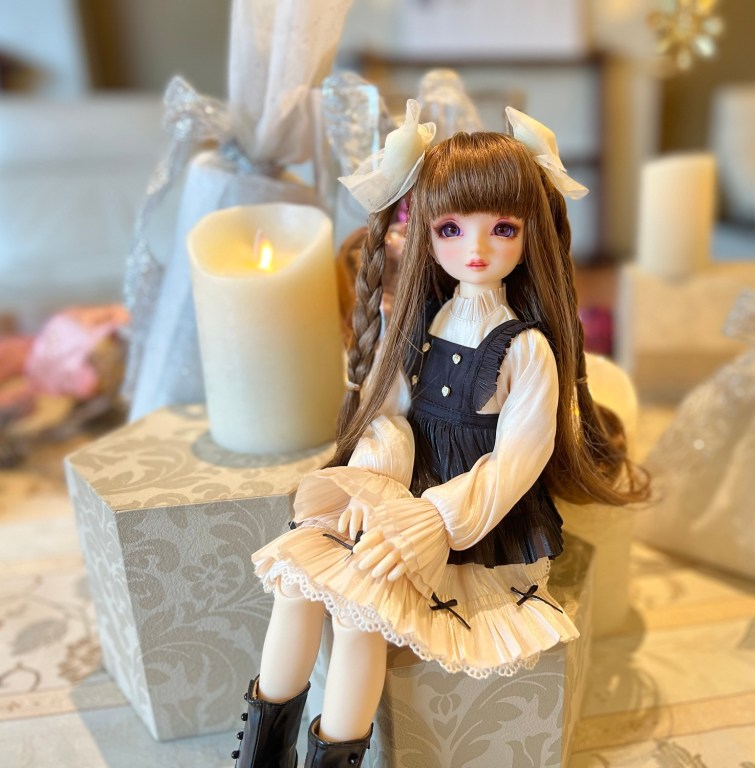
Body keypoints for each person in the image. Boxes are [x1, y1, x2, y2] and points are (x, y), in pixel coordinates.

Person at [231, 102, 648, 768]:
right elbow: (391, 416)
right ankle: (261, 756)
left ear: (530, 234)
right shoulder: (421, 324)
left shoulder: (527, 348)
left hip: (472, 528)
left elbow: (515, 463)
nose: (475, 250)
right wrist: (376, 482)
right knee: (296, 584)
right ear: (425, 232)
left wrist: (434, 519)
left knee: (360, 618)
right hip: (399, 497)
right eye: (451, 229)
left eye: (502, 229)